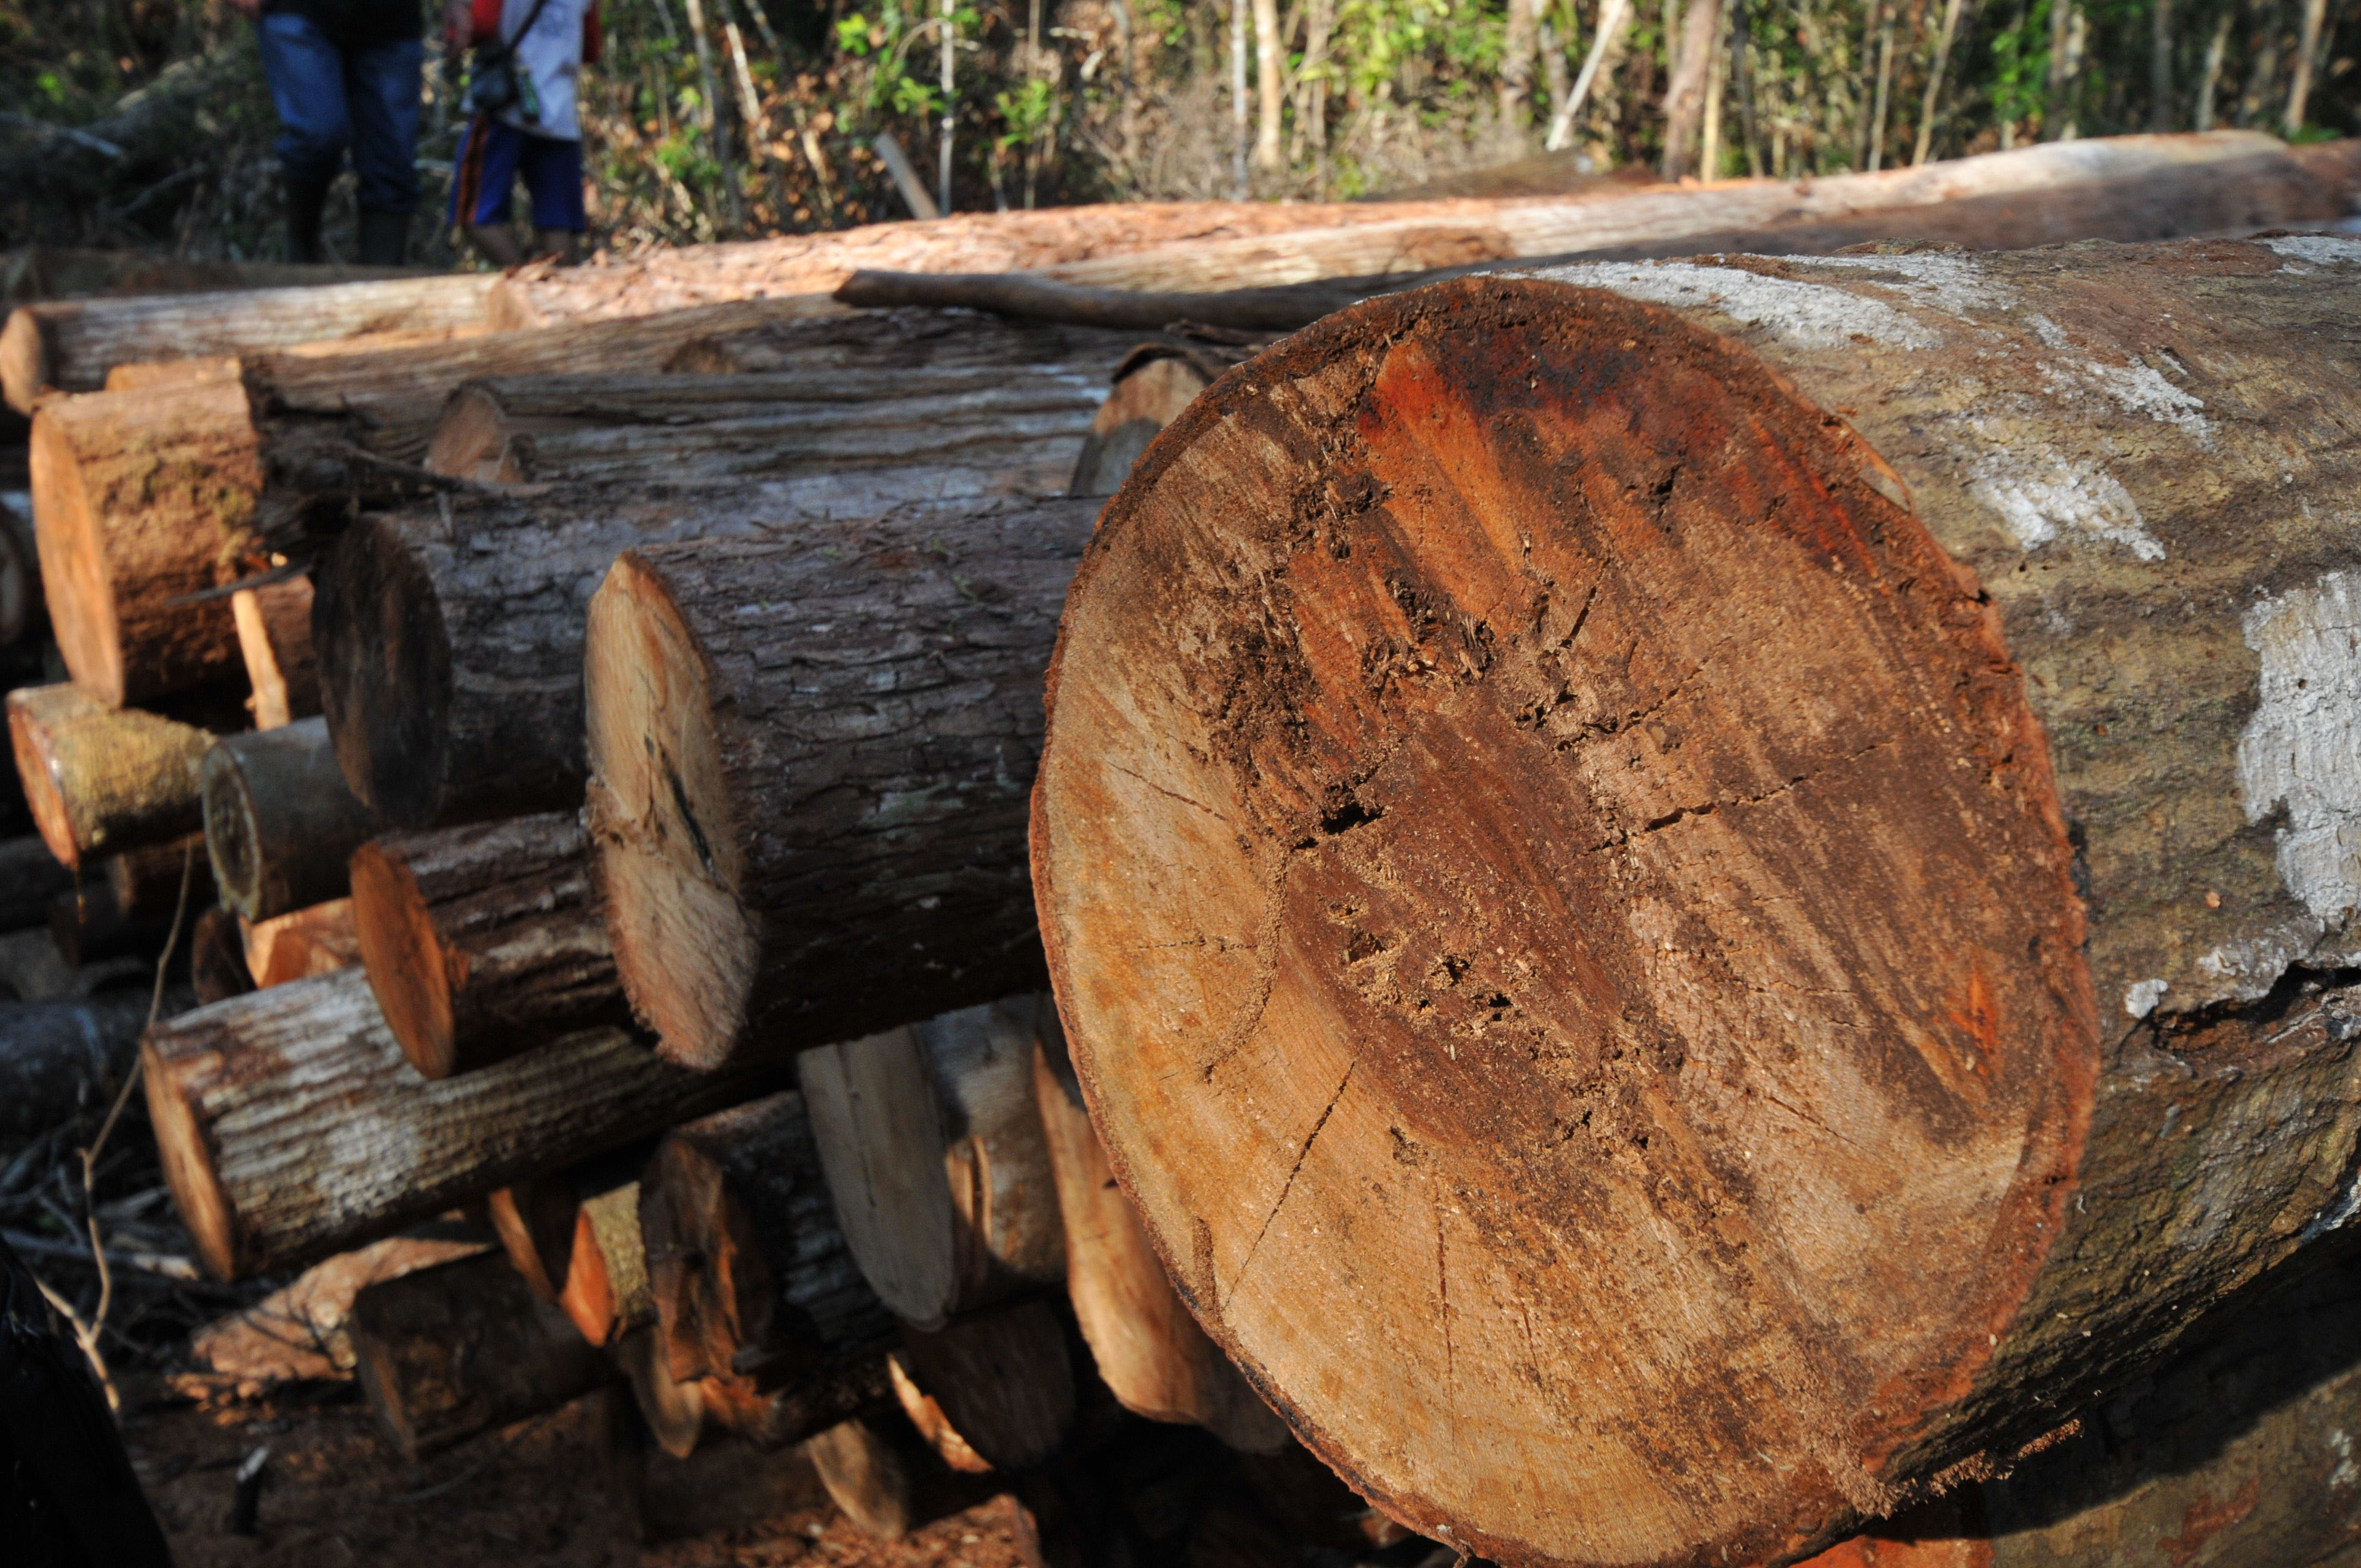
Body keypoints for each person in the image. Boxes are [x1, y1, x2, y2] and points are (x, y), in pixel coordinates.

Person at [231, 0, 425, 266]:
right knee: (316, 134)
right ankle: (300, 263)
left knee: (392, 165)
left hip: (392, 21)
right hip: (296, 11)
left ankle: (381, 289)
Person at [445, 0, 601, 266]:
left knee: (475, 215)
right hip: (558, 113)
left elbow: (479, 26)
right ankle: (557, 294)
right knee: (558, 223)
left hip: (504, 108)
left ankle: (524, 283)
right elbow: (591, 48)